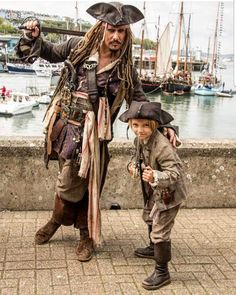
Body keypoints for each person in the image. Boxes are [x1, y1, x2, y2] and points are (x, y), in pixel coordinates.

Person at [15, 2, 177, 262]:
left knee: (88, 188)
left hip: (96, 138)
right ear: (102, 27)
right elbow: (47, 51)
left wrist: (166, 126)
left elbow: (139, 100)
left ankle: (82, 234)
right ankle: (62, 223)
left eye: (122, 31)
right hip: (65, 130)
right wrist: (32, 36)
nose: (117, 37)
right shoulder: (77, 47)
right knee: (68, 184)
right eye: (112, 29)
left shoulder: (125, 69)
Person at [119, 100, 187, 290]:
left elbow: (175, 174)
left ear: (154, 125)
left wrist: (155, 175)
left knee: (160, 231)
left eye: (145, 126)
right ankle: (152, 248)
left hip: (170, 193)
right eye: (135, 125)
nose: (140, 130)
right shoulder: (138, 140)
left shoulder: (163, 146)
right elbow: (136, 159)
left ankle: (162, 272)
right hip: (155, 189)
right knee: (149, 216)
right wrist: (133, 166)